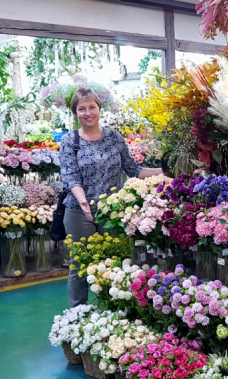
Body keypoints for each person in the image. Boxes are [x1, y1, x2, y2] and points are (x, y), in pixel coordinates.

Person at [59, 88, 162, 307]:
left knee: (115, 262)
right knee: (80, 265)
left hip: (111, 212)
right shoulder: (70, 141)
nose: (88, 113)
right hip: (79, 212)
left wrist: (165, 172)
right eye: (82, 108)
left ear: (100, 109)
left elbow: (133, 169)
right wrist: (83, 200)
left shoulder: (114, 138)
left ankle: (113, 309)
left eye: (92, 107)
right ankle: (79, 314)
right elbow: (69, 175)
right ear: (75, 112)